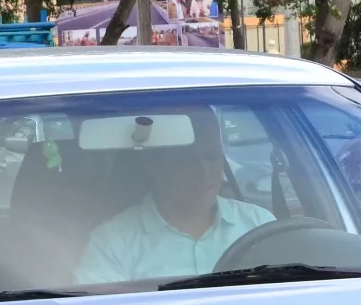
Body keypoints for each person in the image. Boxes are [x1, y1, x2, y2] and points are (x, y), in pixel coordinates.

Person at [73, 106, 274, 286]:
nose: (204, 173)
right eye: (187, 161)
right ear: (153, 166)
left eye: (212, 157)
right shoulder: (112, 243)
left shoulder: (259, 225)